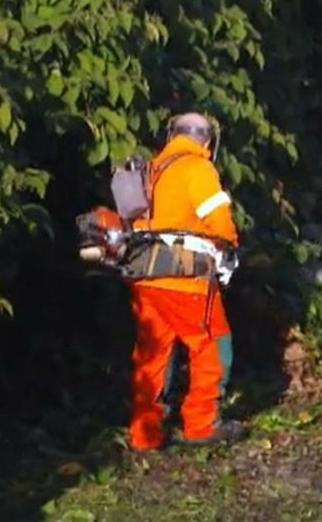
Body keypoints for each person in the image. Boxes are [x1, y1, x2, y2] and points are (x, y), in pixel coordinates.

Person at [127, 111, 243, 451]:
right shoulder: (199, 168)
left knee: (153, 353)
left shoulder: (151, 169)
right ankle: (201, 425)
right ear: (207, 141)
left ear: (170, 135)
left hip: (145, 276)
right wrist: (230, 248)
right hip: (186, 279)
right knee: (212, 346)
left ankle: (144, 435)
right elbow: (220, 223)